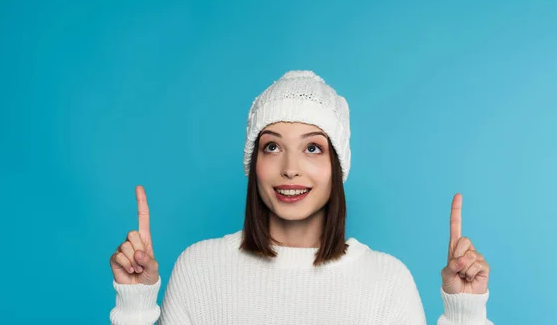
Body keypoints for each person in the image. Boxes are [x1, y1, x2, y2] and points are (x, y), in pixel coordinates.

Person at [109, 70, 493, 324]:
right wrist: (134, 305)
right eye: (272, 147)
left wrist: (466, 312)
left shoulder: (386, 282)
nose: (290, 168)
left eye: (312, 149)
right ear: (253, 163)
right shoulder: (199, 269)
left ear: (336, 167)